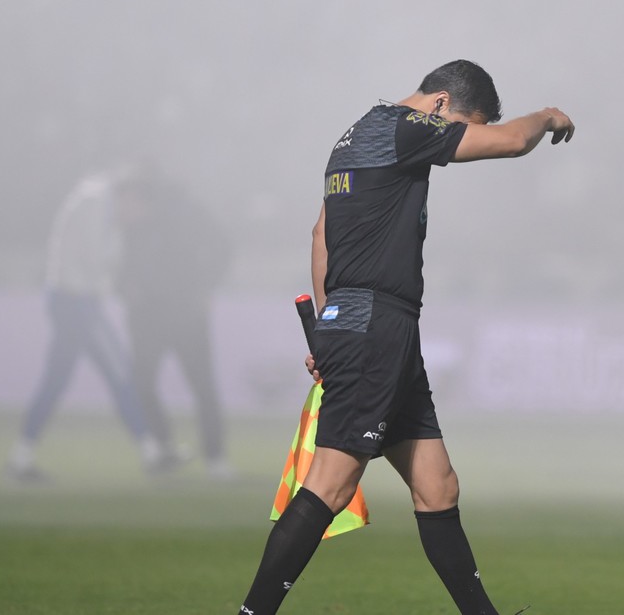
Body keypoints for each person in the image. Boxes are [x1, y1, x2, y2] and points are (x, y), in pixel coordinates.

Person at [236, 59, 574, 615]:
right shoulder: (405, 127)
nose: (460, 138)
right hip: (376, 327)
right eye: (464, 124)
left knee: (437, 485)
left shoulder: (352, 139)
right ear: (440, 104)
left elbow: (321, 233)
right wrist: (548, 115)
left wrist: (328, 324)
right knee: (330, 485)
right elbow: (514, 142)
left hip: (371, 326)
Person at [8, 172, 166, 481]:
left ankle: (21, 455)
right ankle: (151, 451)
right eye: (138, 210)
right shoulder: (95, 205)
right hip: (76, 301)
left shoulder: (99, 207)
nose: (135, 218)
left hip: (75, 300)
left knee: (63, 378)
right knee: (117, 372)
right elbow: (96, 260)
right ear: (131, 196)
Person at [115, 174, 235, 479]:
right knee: (141, 385)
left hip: (186, 315)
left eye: (127, 200)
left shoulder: (185, 217)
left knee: (203, 387)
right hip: (148, 318)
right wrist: (125, 287)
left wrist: (206, 286)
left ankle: (215, 458)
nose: (122, 208)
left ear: (145, 199)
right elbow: (122, 268)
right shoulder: (131, 229)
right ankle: (166, 448)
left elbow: (223, 244)